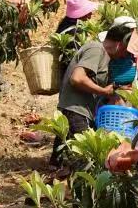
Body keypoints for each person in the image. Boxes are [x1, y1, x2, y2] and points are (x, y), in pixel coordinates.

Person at [51, 19, 130, 166]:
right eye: (125, 50)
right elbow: (77, 78)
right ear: (119, 44)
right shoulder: (96, 49)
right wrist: (104, 91)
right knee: (85, 162)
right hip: (76, 112)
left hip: (78, 111)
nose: (125, 55)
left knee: (68, 161)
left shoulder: (103, 55)